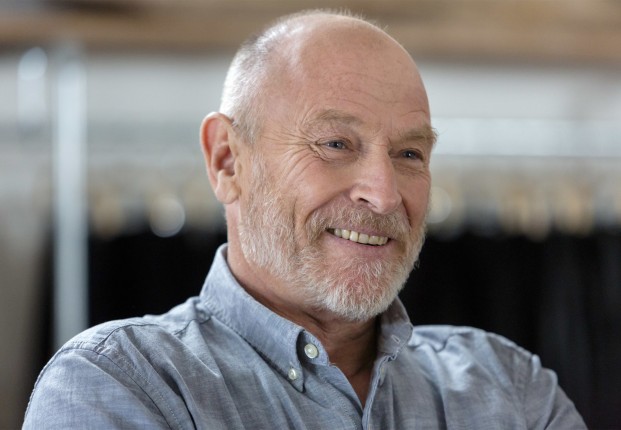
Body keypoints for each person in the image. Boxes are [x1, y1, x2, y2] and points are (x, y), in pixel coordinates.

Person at [24, 9, 586, 429]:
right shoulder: (119, 385)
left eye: (410, 153)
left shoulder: (509, 388)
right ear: (227, 160)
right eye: (335, 144)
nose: (384, 194)